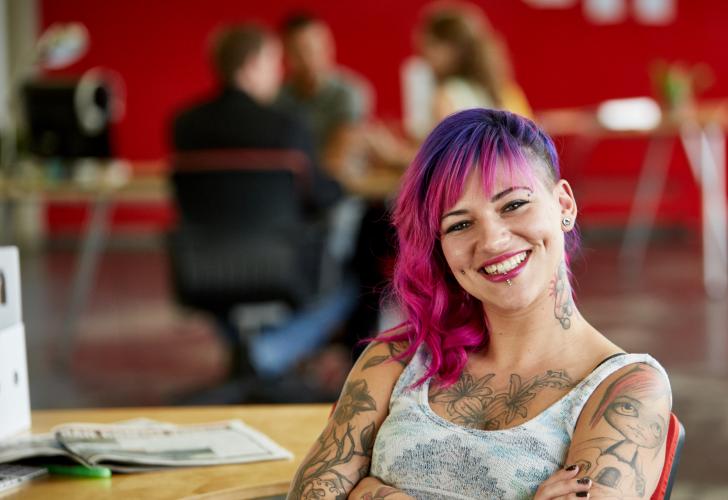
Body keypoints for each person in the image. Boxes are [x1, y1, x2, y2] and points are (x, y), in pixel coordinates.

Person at [287, 109, 672, 499]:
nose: (492, 241)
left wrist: (377, 494)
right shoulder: (396, 358)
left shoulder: (627, 390)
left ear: (564, 205)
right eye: (459, 224)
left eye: (513, 205)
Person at [172, 23, 341, 210]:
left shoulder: (185, 125)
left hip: (203, 238)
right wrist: (340, 184)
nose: (279, 73)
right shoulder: (288, 127)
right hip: (276, 238)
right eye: (273, 63)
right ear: (252, 66)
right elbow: (316, 196)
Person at [277, 13, 371, 177]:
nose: (308, 58)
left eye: (315, 49)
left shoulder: (350, 92)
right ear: (286, 54)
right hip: (291, 189)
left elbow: (338, 157)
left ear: (329, 46)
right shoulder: (277, 97)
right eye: (299, 51)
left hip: (337, 191)